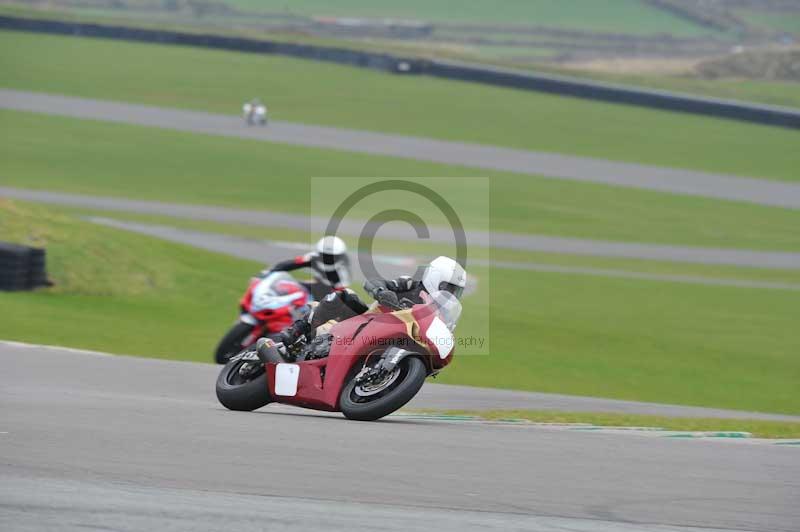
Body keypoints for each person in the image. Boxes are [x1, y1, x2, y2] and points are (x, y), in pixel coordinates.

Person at [275, 256, 466, 348]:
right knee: (344, 295)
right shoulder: (411, 284)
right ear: (434, 276)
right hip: (367, 323)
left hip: (396, 342)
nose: (451, 294)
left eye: (455, 291)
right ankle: (295, 332)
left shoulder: (443, 313)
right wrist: (382, 292)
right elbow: (373, 282)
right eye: (448, 287)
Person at [263, 236, 351, 299]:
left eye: (332, 257)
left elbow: (340, 293)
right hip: (315, 285)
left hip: (327, 295)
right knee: (283, 287)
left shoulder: (342, 272)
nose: (328, 259)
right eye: (325, 256)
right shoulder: (312, 258)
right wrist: (270, 271)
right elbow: (291, 264)